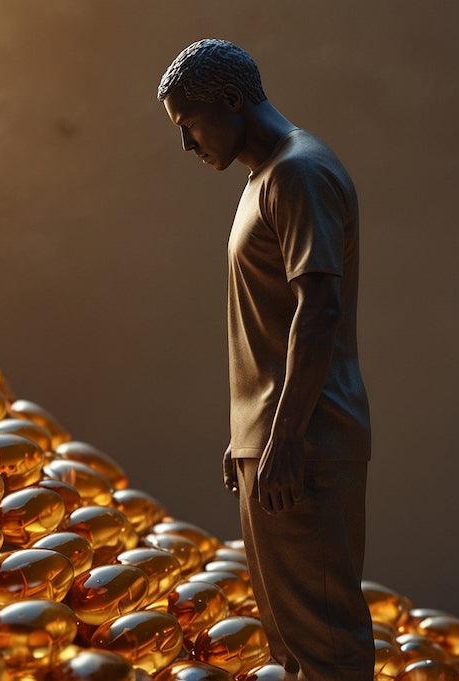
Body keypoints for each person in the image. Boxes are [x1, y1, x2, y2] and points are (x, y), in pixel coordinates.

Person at [156, 39, 374, 680]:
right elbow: (273, 318)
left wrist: (283, 438)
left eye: (190, 124)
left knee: (325, 642)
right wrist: (250, 433)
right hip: (275, 441)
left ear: (230, 101)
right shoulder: (265, 180)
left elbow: (320, 311)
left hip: (305, 445)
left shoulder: (301, 173)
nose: (187, 144)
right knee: (291, 642)